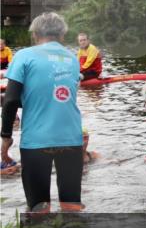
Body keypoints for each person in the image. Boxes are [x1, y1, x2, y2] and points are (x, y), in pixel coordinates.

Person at [0, 12, 84, 212]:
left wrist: (5, 136)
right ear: (62, 35)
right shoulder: (73, 58)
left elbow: (10, 100)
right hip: (71, 138)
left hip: (37, 141)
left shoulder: (23, 56)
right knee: (71, 206)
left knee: (39, 209)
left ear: (35, 34)